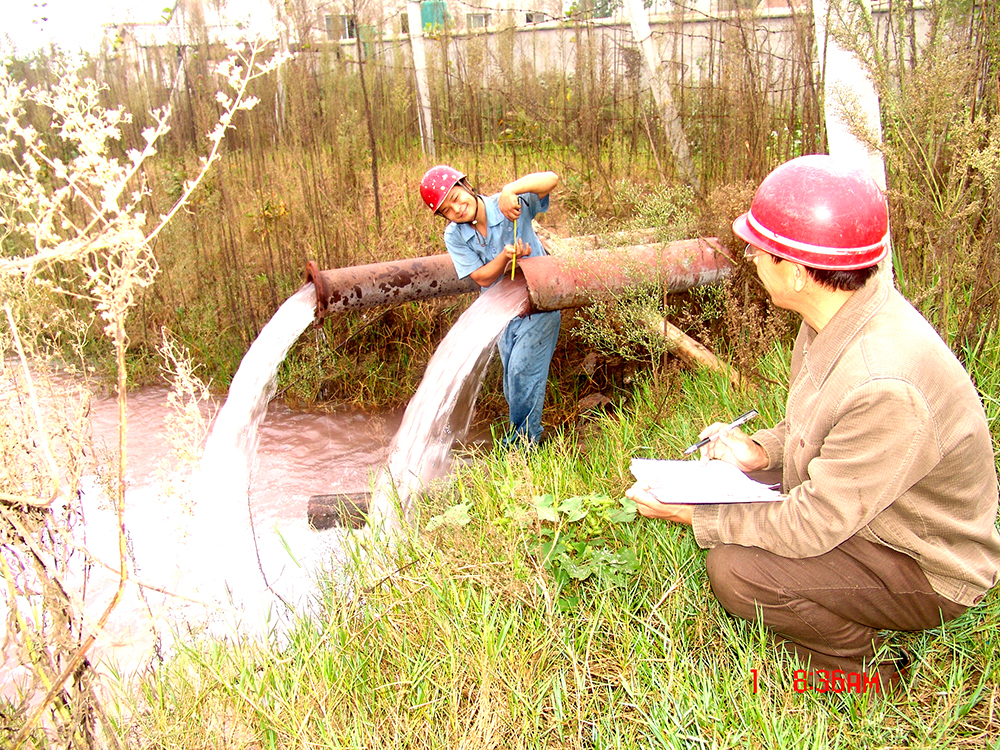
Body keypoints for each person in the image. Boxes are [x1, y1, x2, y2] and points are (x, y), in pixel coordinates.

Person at [626, 154, 1000, 690]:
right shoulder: (835, 315)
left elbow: (815, 522)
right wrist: (761, 452)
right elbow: (822, 426)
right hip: (872, 508)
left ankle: (867, 674)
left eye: (759, 250)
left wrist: (697, 517)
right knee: (736, 484)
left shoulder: (884, 383)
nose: (752, 258)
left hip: (925, 562)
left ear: (798, 273)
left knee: (736, 570)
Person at [419, 165, 561, 447]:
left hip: (538, 303)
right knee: (512, 382)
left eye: (456, 198)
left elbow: (551, 179)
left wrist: (512, 188)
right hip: (501, 312)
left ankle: (524, 445)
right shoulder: (455, 235)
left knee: (522, 372)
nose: (457, 209)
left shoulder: (507, 203)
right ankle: (523, 438)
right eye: (447, 210)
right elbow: (481, 277)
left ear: (467, 186)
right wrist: (506, 258)